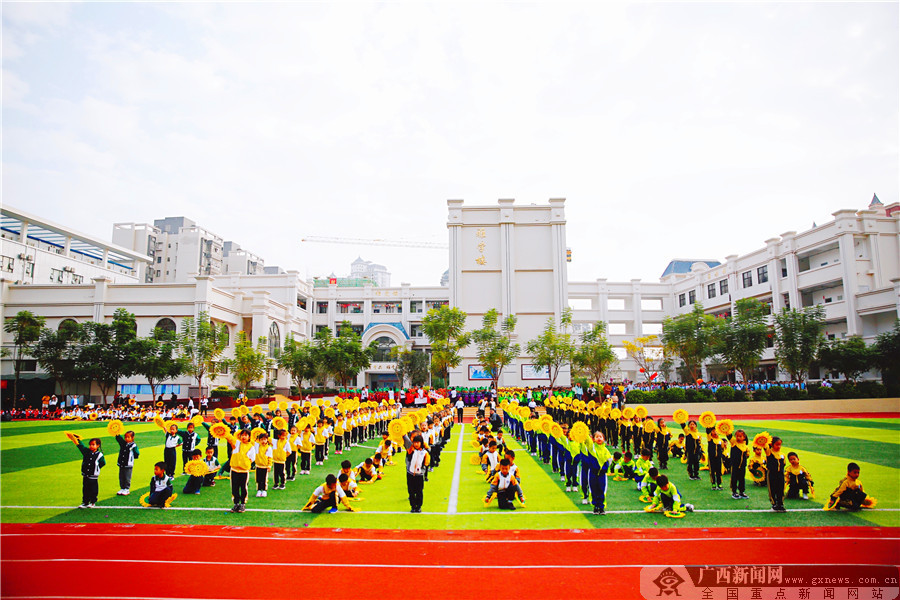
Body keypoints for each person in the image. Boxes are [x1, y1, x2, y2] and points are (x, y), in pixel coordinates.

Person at [225, 428, 257, 513]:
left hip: (244, 471)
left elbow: (252, 458)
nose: (243, 437)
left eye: (246, 435)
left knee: (243, 487)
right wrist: (223, 430)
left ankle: (243, 504)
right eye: (242, 435)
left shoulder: (251, 447)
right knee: (234, 487)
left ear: (249, 437)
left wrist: (244, 463)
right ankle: (236, 504)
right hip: (234, 469)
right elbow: (229, 437)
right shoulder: (236, 443)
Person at [72, 435, 105, 509]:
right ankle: (85, 502)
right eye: (90, 445)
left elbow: (103, 463)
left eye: (93, 445)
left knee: (93, 489)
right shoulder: (86, 452)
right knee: (85, 489)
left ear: (98, 445)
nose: (91, 446)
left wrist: (96, 469)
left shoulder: (99, 455)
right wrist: (78, 440)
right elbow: (81, 447)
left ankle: (92, 502)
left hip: (93, 476)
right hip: (86, 475)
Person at [403, 432, 429, 513]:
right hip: (410, 474)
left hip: (419, 475)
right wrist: (403, 434)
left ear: (421, 443)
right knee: (411, 491)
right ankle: (413, 506)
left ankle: (419, 506)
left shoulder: (425, 453)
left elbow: (426, 463)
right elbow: (406, 441)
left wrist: (423, 470)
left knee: (419, 491)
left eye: (418, 442)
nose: (416, 444)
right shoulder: (411, 450)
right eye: (415, 442)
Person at [115, 430, 140, 496]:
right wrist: (117, 434)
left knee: (127, 477)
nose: (126, 439)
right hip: (121, 463)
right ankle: (122, 488)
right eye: (125, 437)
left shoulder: (133, 445)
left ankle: (126, 488)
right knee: (121, 476)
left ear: (132, 438)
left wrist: (134, 457)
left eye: (128, 437)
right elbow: (119, 439)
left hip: (128, 463)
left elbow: (137, 452)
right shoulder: (123, 443)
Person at [765, 436, 787, 512]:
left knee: (781, 488)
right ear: (772, 444)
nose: (779, 446)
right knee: (772, 489)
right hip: (772, 473)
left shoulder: (782, 455)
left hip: (780, 474)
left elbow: (784, 464)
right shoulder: (769, 452)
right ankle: (774, 503)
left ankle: (780, 503)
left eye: (780, 445)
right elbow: (765, 447)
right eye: (777, 445)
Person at [728, 429, 750, 500]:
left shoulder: (745, 446)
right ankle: (734, 491)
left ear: (744, 437)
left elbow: (747, 455)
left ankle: (741, 491)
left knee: (741, 478)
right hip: (735, 465)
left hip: (742, 465)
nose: (738, 438)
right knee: (734, 478)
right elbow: (729, 436)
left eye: (740, 436)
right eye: (737, 436)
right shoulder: (734, 442)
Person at [254, 432, 273, 497]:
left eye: (265, 439)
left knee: (264, 479)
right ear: (259, 440)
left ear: (267, 440)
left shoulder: (268, 448)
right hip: (258, 465)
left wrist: (269, 465)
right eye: (261, 439)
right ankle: (259, 490)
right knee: (258, 479)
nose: (263, 441)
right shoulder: (257, 446)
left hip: (265, 466)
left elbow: (270, 457)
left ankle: (264, 490)